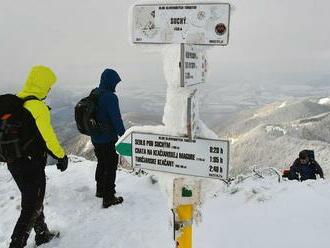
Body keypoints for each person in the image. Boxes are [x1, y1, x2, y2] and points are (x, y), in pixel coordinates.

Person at [7, 65, 68, 248]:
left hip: (14, 162)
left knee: (32, 199)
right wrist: (61, 157)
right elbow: (49, 138)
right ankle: (16, 243)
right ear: (42, 84)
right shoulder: (37, 107)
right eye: (48, 85)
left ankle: (42, 233)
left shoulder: (16, 101)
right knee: (31, 206)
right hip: (32, 165)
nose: (49, 89)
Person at [91, 68, 125, 208]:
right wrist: (124, 135)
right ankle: (109, 197)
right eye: (115, 82)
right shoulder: (110, 97)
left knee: (101, 163)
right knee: (110, 167)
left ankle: (100, 190)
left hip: (95, 137)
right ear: (111, 82)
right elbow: (116, 118)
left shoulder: (95, 93)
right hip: (107, 139)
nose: (116, 85)